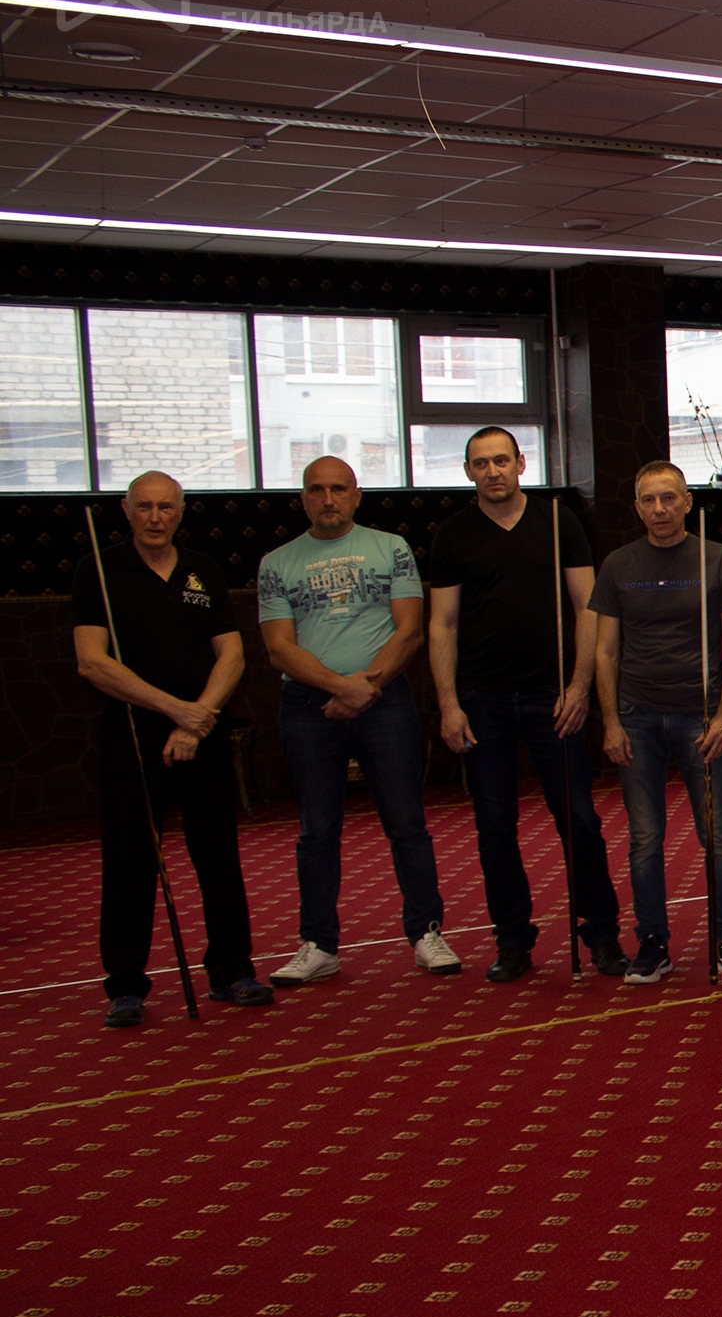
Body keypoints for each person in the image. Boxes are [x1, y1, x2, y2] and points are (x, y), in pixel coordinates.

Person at [426, 427, 625, 982]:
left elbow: (587, 607)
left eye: (501, 460)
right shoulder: (453, 534)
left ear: (520, 463)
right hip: (481, 700)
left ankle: (603, 935)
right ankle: (512, 941)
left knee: (579, 821)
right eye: (480, 463)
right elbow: (442, 624)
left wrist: (580, 686)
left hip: (552, 698)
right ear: (468, 471)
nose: (492, 471)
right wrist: (448, 704)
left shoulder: (559, 521)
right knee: (495, 828)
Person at [74, 470, 271, 1025]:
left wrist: (196, 719)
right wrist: (173, 709)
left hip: (202, 733)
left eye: (165, 507)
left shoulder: (203, 568)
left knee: (218, 856)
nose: (155, 517)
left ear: (180, 512)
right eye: (144, 507)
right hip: (132, 735)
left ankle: (231, 972)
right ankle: (125, 987)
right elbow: (92, 662)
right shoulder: (99, 569)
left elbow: (231, 655)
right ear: (126, 510)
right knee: (129, 861)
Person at [258, 455, 456, 987]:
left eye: (339, 489)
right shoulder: (277, 562)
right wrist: (338, 687)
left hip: (384, 702)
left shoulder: (390, 547)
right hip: (308, 707)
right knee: (317, 830)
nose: (328, 499)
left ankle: (427, 933)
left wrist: (363, 688)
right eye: (317, 490)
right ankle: (319, 945)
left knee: (407, 823)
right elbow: (278, 648)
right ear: (303, 498)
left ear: (356, 494)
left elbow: (409, 630)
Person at [592, 463, 722, 985]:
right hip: (636, 715)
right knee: (645, 838)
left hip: (701, 717)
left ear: (687, 502)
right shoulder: (618, 564)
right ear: (637, 507)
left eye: (669, 498)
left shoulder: (717, 558)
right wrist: (610, 721)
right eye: (648, 500)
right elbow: (606, 649)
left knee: (718, 835)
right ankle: (653, 942)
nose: (659, 509)